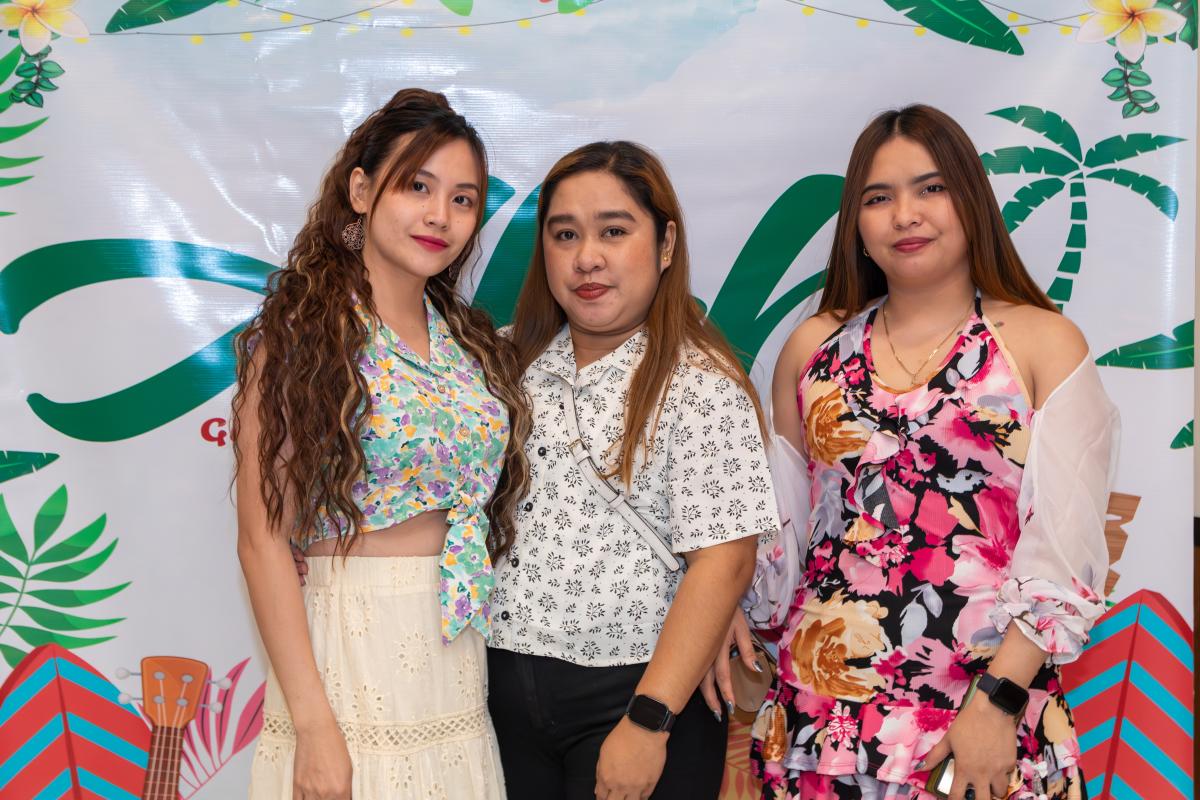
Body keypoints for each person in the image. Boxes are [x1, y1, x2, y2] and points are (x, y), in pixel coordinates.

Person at [742, 105, 1119, 800]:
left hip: (980, 724)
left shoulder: (1041, 342)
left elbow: (1064, 557)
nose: (905, 215)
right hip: (818, 725)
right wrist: (726, 620)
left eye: (931, 188)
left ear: (971, 199)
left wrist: (998, 703)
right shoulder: (812, 348)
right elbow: (777, 541)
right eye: (878, 198)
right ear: (856, 224)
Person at [233, 88, 529, 800]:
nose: (440, 215)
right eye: (417, 186)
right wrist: (314, 726)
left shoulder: (470, 344)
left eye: (463, 199)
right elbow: (261, 540)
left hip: (453, 651)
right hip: (349, 642)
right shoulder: (301, 337)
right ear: (361, 191)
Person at [485, 140, 781, 800]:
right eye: (565, 234)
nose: (587, 257)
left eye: (614, 231)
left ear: (665, 244)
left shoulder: (703, 383)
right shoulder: (502, 365)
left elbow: (725, 561)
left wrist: (649, 722)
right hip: (496, 692)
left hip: (638, 699)